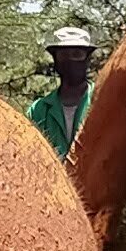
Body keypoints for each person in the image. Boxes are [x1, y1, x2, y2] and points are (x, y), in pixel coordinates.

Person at [25, 25, 96, 159]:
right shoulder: (38, 111)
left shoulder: (103, 103)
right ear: (55, 60)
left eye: (77, 54)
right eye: (64, 55)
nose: (71, 61)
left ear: (87, 59)